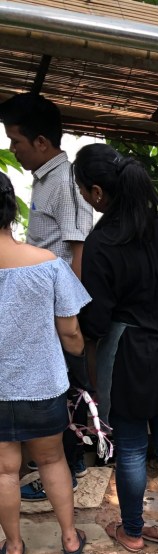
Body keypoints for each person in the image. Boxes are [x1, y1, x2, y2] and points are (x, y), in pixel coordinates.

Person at [75, 143, 158, 554]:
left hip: (131, 353)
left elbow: (95, 319)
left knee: (130, 446)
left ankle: (132, 532)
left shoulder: (103, 240)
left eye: (82, 191)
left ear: (97, 192)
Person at [0, 92, 94, 500]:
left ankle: (68, 468)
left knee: (64, 389)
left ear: (41, 142)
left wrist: (70, 311)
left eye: (16, 141)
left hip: (59, 302)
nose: (12, 149)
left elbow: (78, 248)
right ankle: (52, 464)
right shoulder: (45, 179)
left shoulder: (64, 182)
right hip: (46, 298)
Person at [0, 171, 89, 554]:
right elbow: (70, 330)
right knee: (52, 460)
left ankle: (14, 547)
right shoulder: (48, 264)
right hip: (42, 383)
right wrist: (80, 357)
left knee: (4, 471)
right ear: (11, 209)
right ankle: (69, 538)